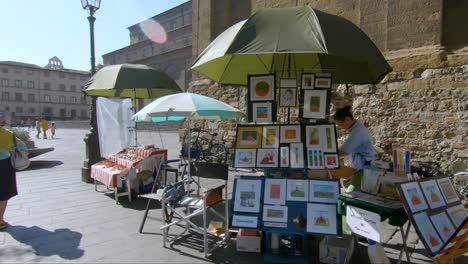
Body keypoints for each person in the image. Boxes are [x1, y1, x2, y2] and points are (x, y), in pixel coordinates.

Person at [0, 127, 28, 230]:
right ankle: (0, 221)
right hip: (3, 166)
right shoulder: (5, 133)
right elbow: (23, 147)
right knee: (3, 193)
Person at [334, 105, 375, 170]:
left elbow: (344, 152)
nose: (341, 127)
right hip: (360, 163)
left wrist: (328, 157)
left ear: (347, 119)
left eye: (341, 124)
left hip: (364, 165)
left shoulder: (358, 131)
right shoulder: (356, 128)